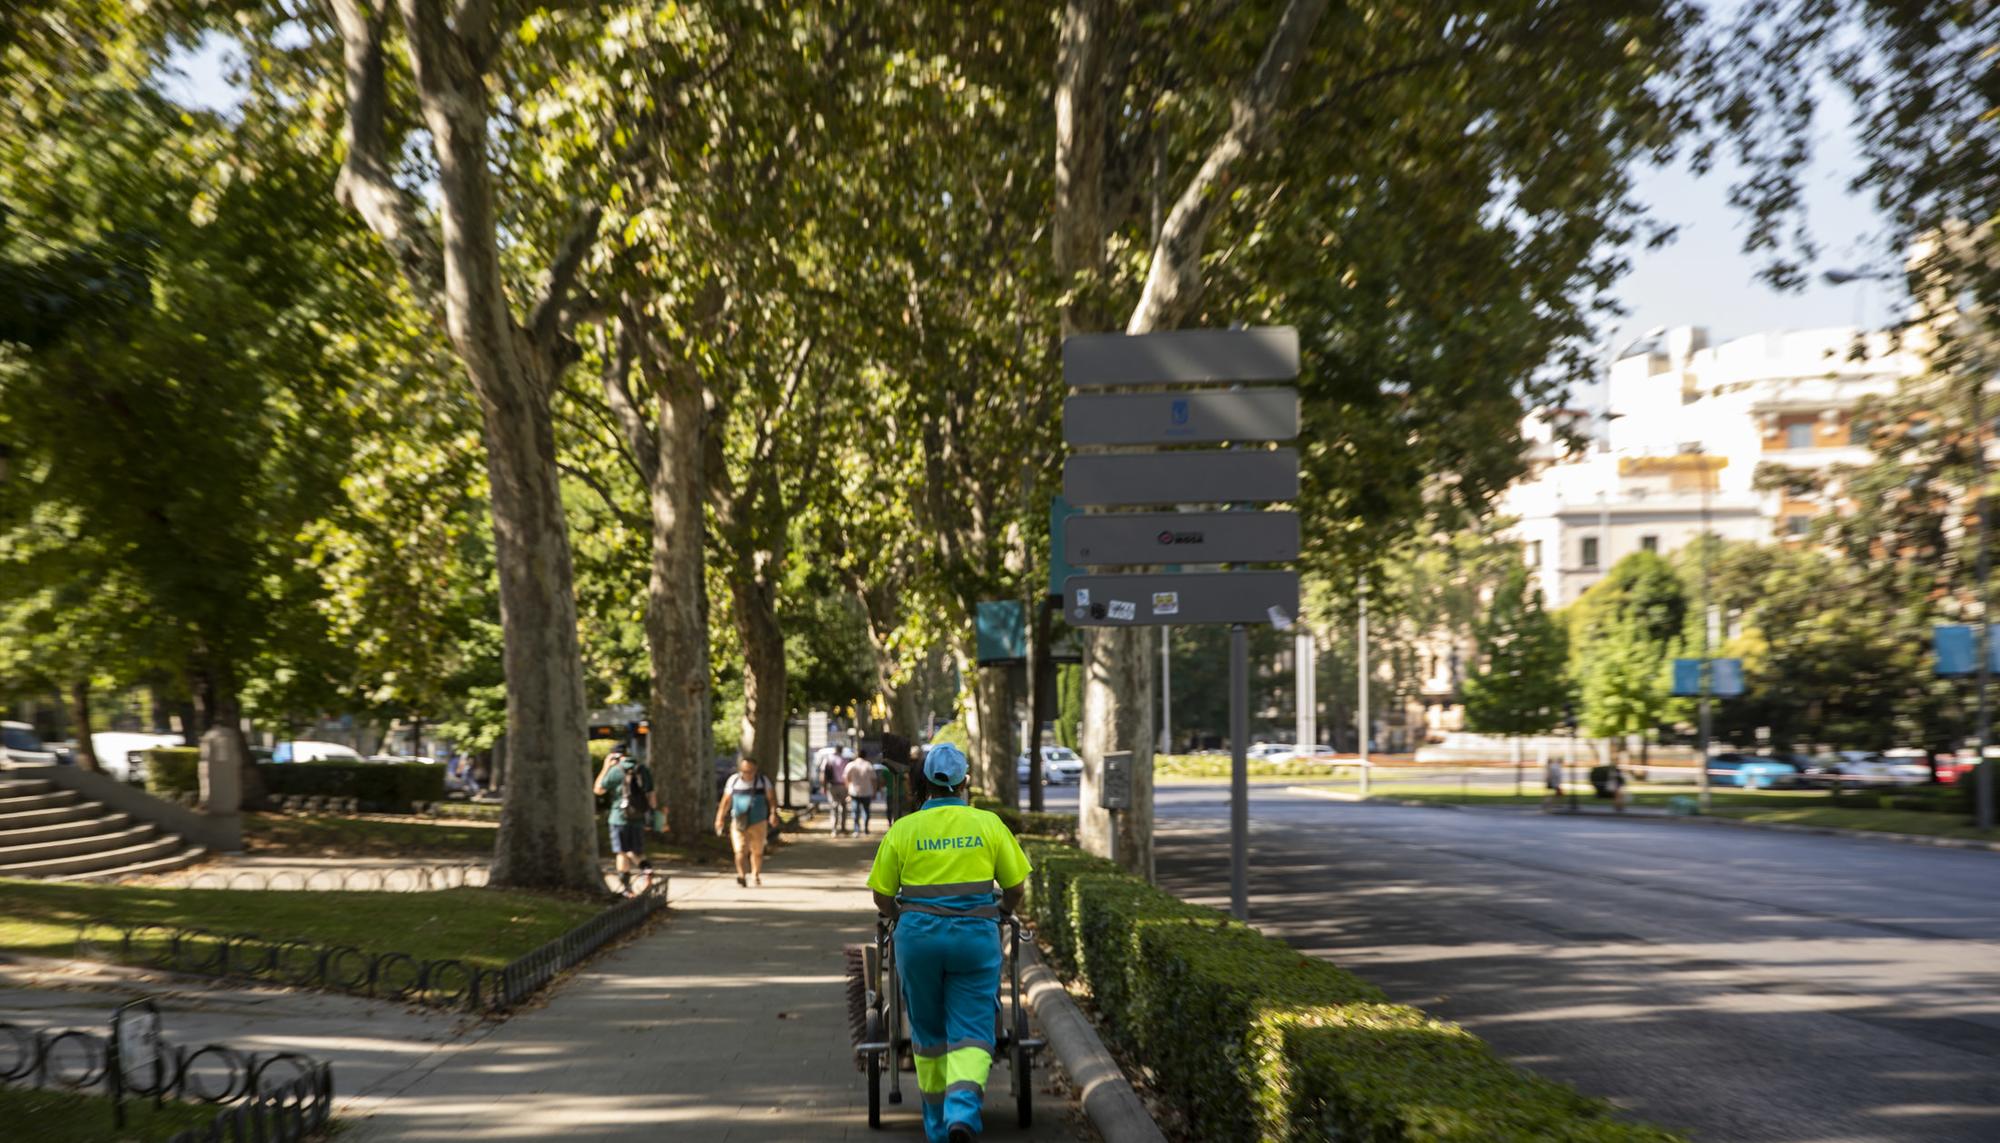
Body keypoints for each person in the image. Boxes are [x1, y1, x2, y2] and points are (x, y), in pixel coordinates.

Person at [866, 743, 1031, 1143]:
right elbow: (1015, 887)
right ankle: (963, 1114)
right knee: (974, 1029)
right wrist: (1002, 909)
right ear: (964, 782)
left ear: (922, 783)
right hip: (975, 939)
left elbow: (882, 896)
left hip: (918, 940)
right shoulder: (988, 825)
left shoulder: (904, 829)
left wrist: (898, 914)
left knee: (927, 1030)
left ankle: (937, 1125)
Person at [593, 749, 656, 896]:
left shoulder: (615, 770)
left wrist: (605, 767)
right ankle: (646, 869)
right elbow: (652, 796)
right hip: (638, 817)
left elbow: (598, 789)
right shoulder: (642, 769)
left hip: (618, 817)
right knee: (636, 851)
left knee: (621, 852)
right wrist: (651, 817)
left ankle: (627, 890)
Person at [715, 757, 778, 887]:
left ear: (755, 770)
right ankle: (741, 875)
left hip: (759, 821)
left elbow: (771, 798)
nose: (747, 773)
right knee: (740, 850)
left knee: (757, 851)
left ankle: (755, 874)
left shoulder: (763, 781)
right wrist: (720, 817)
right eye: (744, 770)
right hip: (739, 821)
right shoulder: (733, 781)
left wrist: (773, 813)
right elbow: (726, 801)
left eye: (750, 771)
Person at [843, 746, 878, 835]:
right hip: (867, 791)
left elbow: (845, 777)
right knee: (866, 811)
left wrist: (848, 787)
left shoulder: (851, 765)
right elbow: (874, 779)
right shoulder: (868, 765)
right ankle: (866, 829)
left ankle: (856, 829)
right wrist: (874, 791)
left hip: (854, 791)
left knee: (855, 811)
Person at [818, 744, 850, 835]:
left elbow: (823, 774)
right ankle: (843, 828)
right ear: (842, 750)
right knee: (843, 807)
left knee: (834, 807)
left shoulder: (828, 759)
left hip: (832, 786)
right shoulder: (845, 760)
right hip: (843, 786)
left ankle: (834, 829)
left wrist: (823, 786)